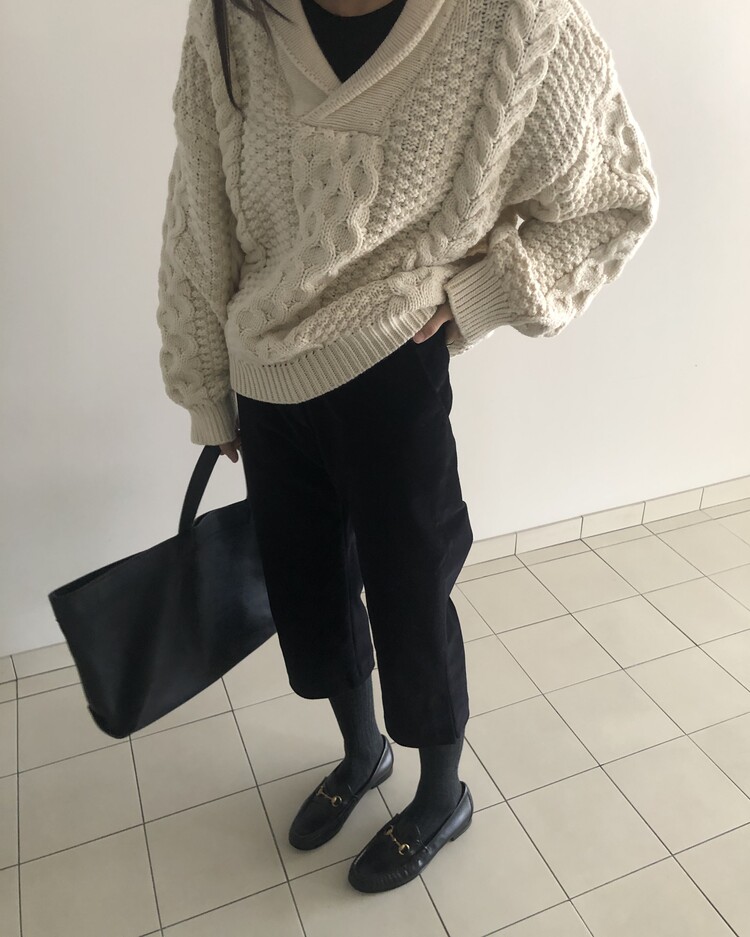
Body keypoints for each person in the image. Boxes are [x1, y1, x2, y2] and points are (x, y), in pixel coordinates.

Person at [155, 0, 658, 893]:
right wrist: (205, 385)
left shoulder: (513, 21)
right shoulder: (230, 18)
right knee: (307, 594)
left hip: (392, 369)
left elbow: (612, 197)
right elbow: (198, 210)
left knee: (411, 596)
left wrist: (481, 296)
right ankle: (363, 753)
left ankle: (440, 794)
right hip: (266, 380)